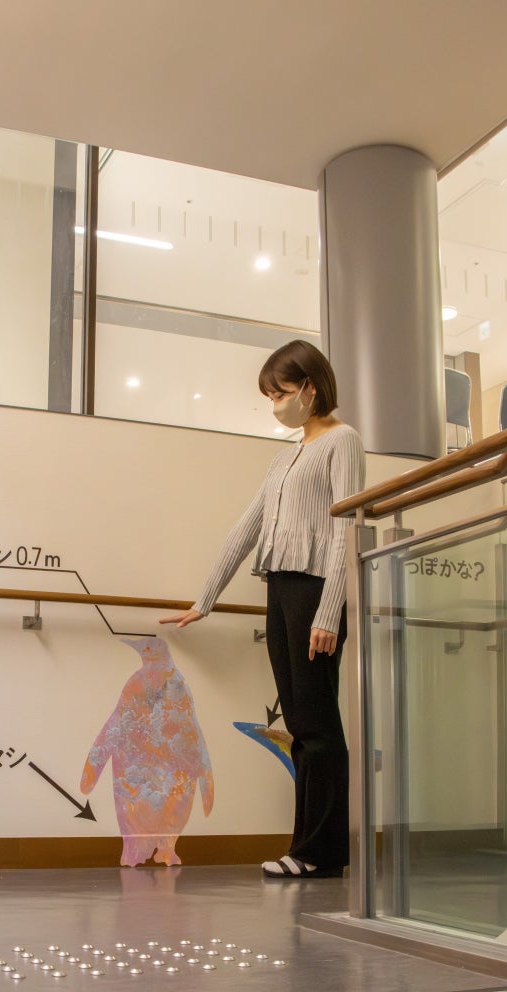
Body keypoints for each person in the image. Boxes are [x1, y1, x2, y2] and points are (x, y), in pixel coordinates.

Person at [160, 340, 365, 878]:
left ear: (310, 389)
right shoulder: (285, 456)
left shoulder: (342, 441)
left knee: (317, 722)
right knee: (299, 722)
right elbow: (247, 527)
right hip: (281, 588)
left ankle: (321, 853)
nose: (275, 404)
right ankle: (307, 849)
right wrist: (205, 600)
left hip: (317, 590)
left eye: (280, 393)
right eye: (270, 396)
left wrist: (329, 612)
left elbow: (347, 527)